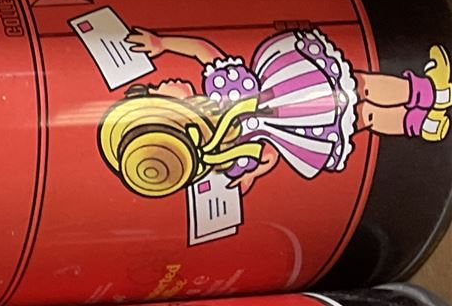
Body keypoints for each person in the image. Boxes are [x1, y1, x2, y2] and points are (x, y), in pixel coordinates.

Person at [99, 28, 449, 201]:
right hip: (299, 89)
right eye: (158, 92)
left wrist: (253, 174)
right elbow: (204, 49)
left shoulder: (228, 154)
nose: (162, 83)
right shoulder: (222, 88)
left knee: (364, 119)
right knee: (361, 88)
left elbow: (267, 154)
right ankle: (433, 92)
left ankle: (424, 124)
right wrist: (162, 43)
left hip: (303, 132)